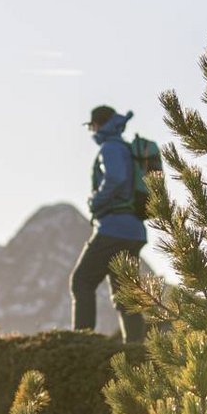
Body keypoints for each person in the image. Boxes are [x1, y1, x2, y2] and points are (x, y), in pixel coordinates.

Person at [71, 104, 148, 344]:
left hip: (112, 228)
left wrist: (95, 201)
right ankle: (136, 349)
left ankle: (83, 344)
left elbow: (116, 177)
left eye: (91, 126)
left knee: (82, 281)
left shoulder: (111, 148)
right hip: (134, 230)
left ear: (97, 125)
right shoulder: (126, 148)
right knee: (125, 294)